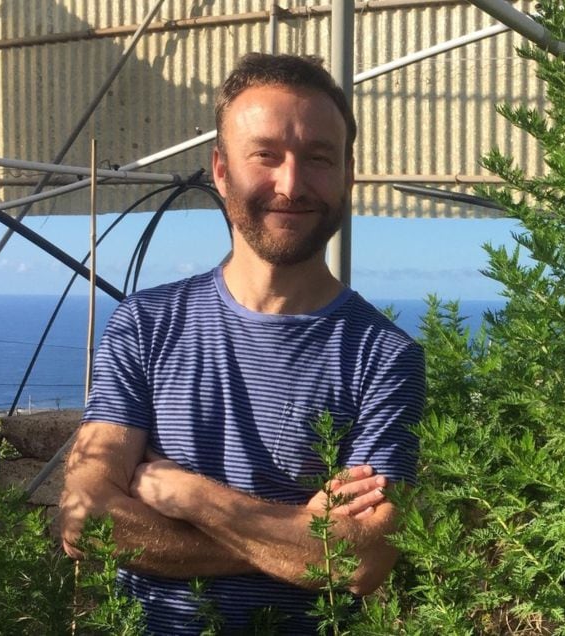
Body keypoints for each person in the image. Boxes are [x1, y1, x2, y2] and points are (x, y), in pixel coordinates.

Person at [60, 53, 425, 634]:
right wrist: (300, 543)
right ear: (221, 170)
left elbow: (361, 559)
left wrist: (188, 496)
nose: (291, 183)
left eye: (319, 159)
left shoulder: (384, 357)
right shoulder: (144, 325)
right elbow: (85, 519)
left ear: (348, 174)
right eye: (266, 155)